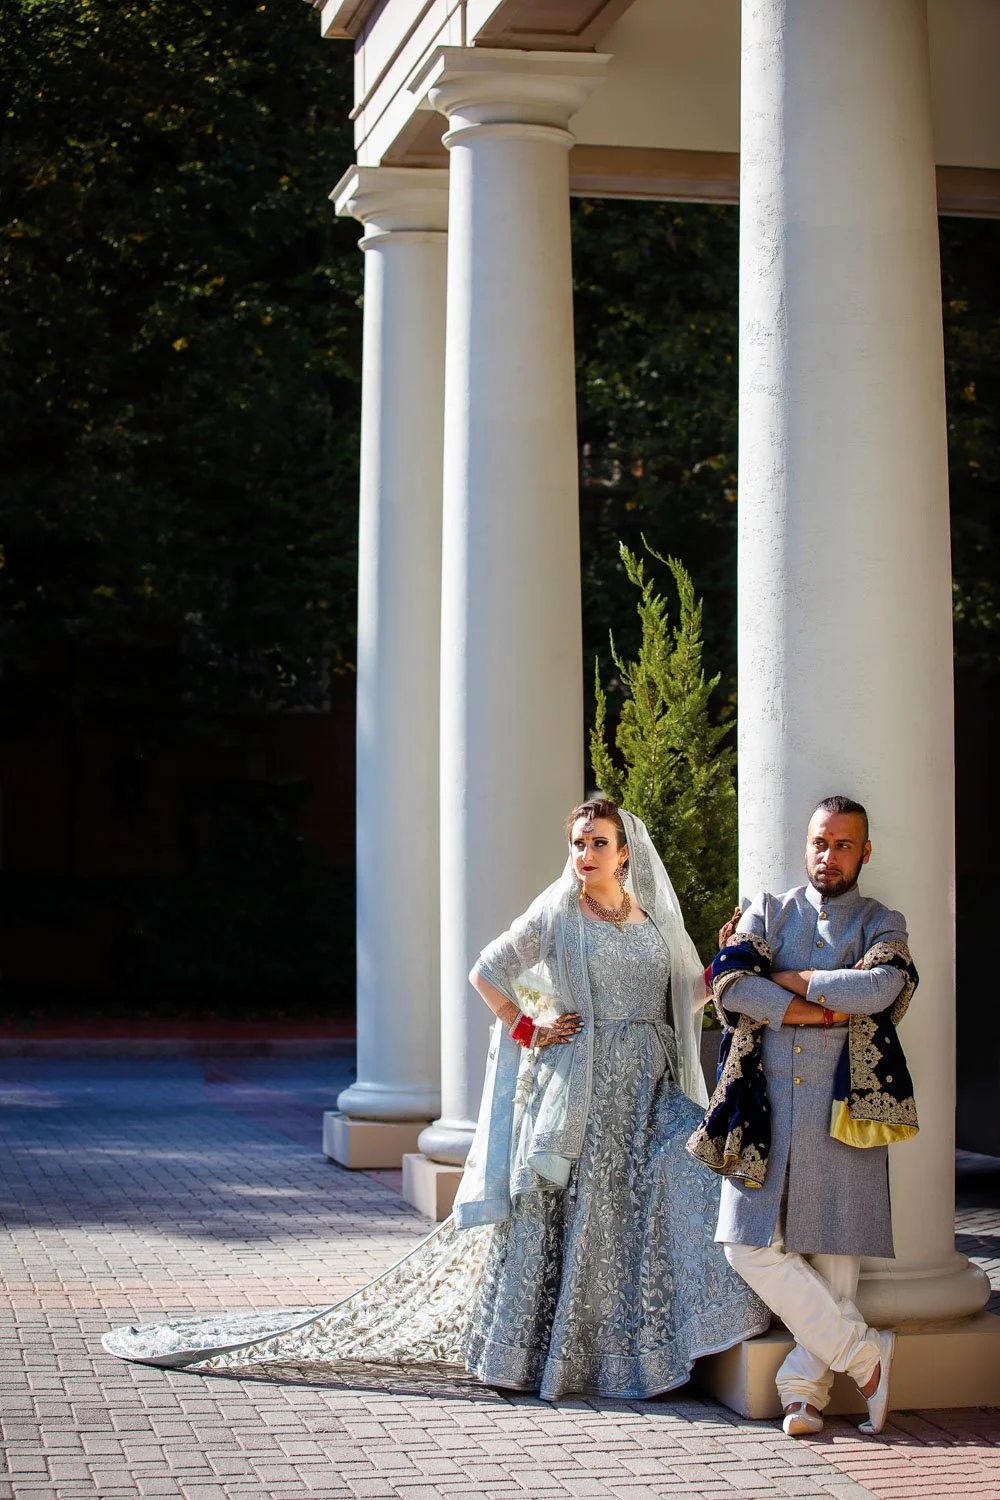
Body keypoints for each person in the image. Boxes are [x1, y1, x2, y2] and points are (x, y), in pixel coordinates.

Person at [103, 798, 768, 1398]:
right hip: (584, 1095)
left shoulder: (652, 918)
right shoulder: (559, 912)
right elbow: (487, 969)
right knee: (586, 1221)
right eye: (577, 843)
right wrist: (528, 1025)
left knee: (691, 1172)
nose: (585, 854)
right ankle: (564, 1361)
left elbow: (683, 1000)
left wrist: (723, 960)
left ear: (626, 853)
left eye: (598, 843)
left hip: (649, 1090)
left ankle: (655, 1344)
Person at [687, 796, 919, 1437]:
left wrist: (792, 978)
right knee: (745, 1245)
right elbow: (730, 983)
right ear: (806, 845)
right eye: (821, 842)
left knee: (835, 1258)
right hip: (762, 1108)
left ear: (864, 852)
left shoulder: (882, 920)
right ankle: (866, 1356)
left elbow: (880, 989)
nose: (829, 855)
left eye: (844, 844)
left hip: (845, 1109)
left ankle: (803, 1393)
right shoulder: (766, 909)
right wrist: (820, 1006)